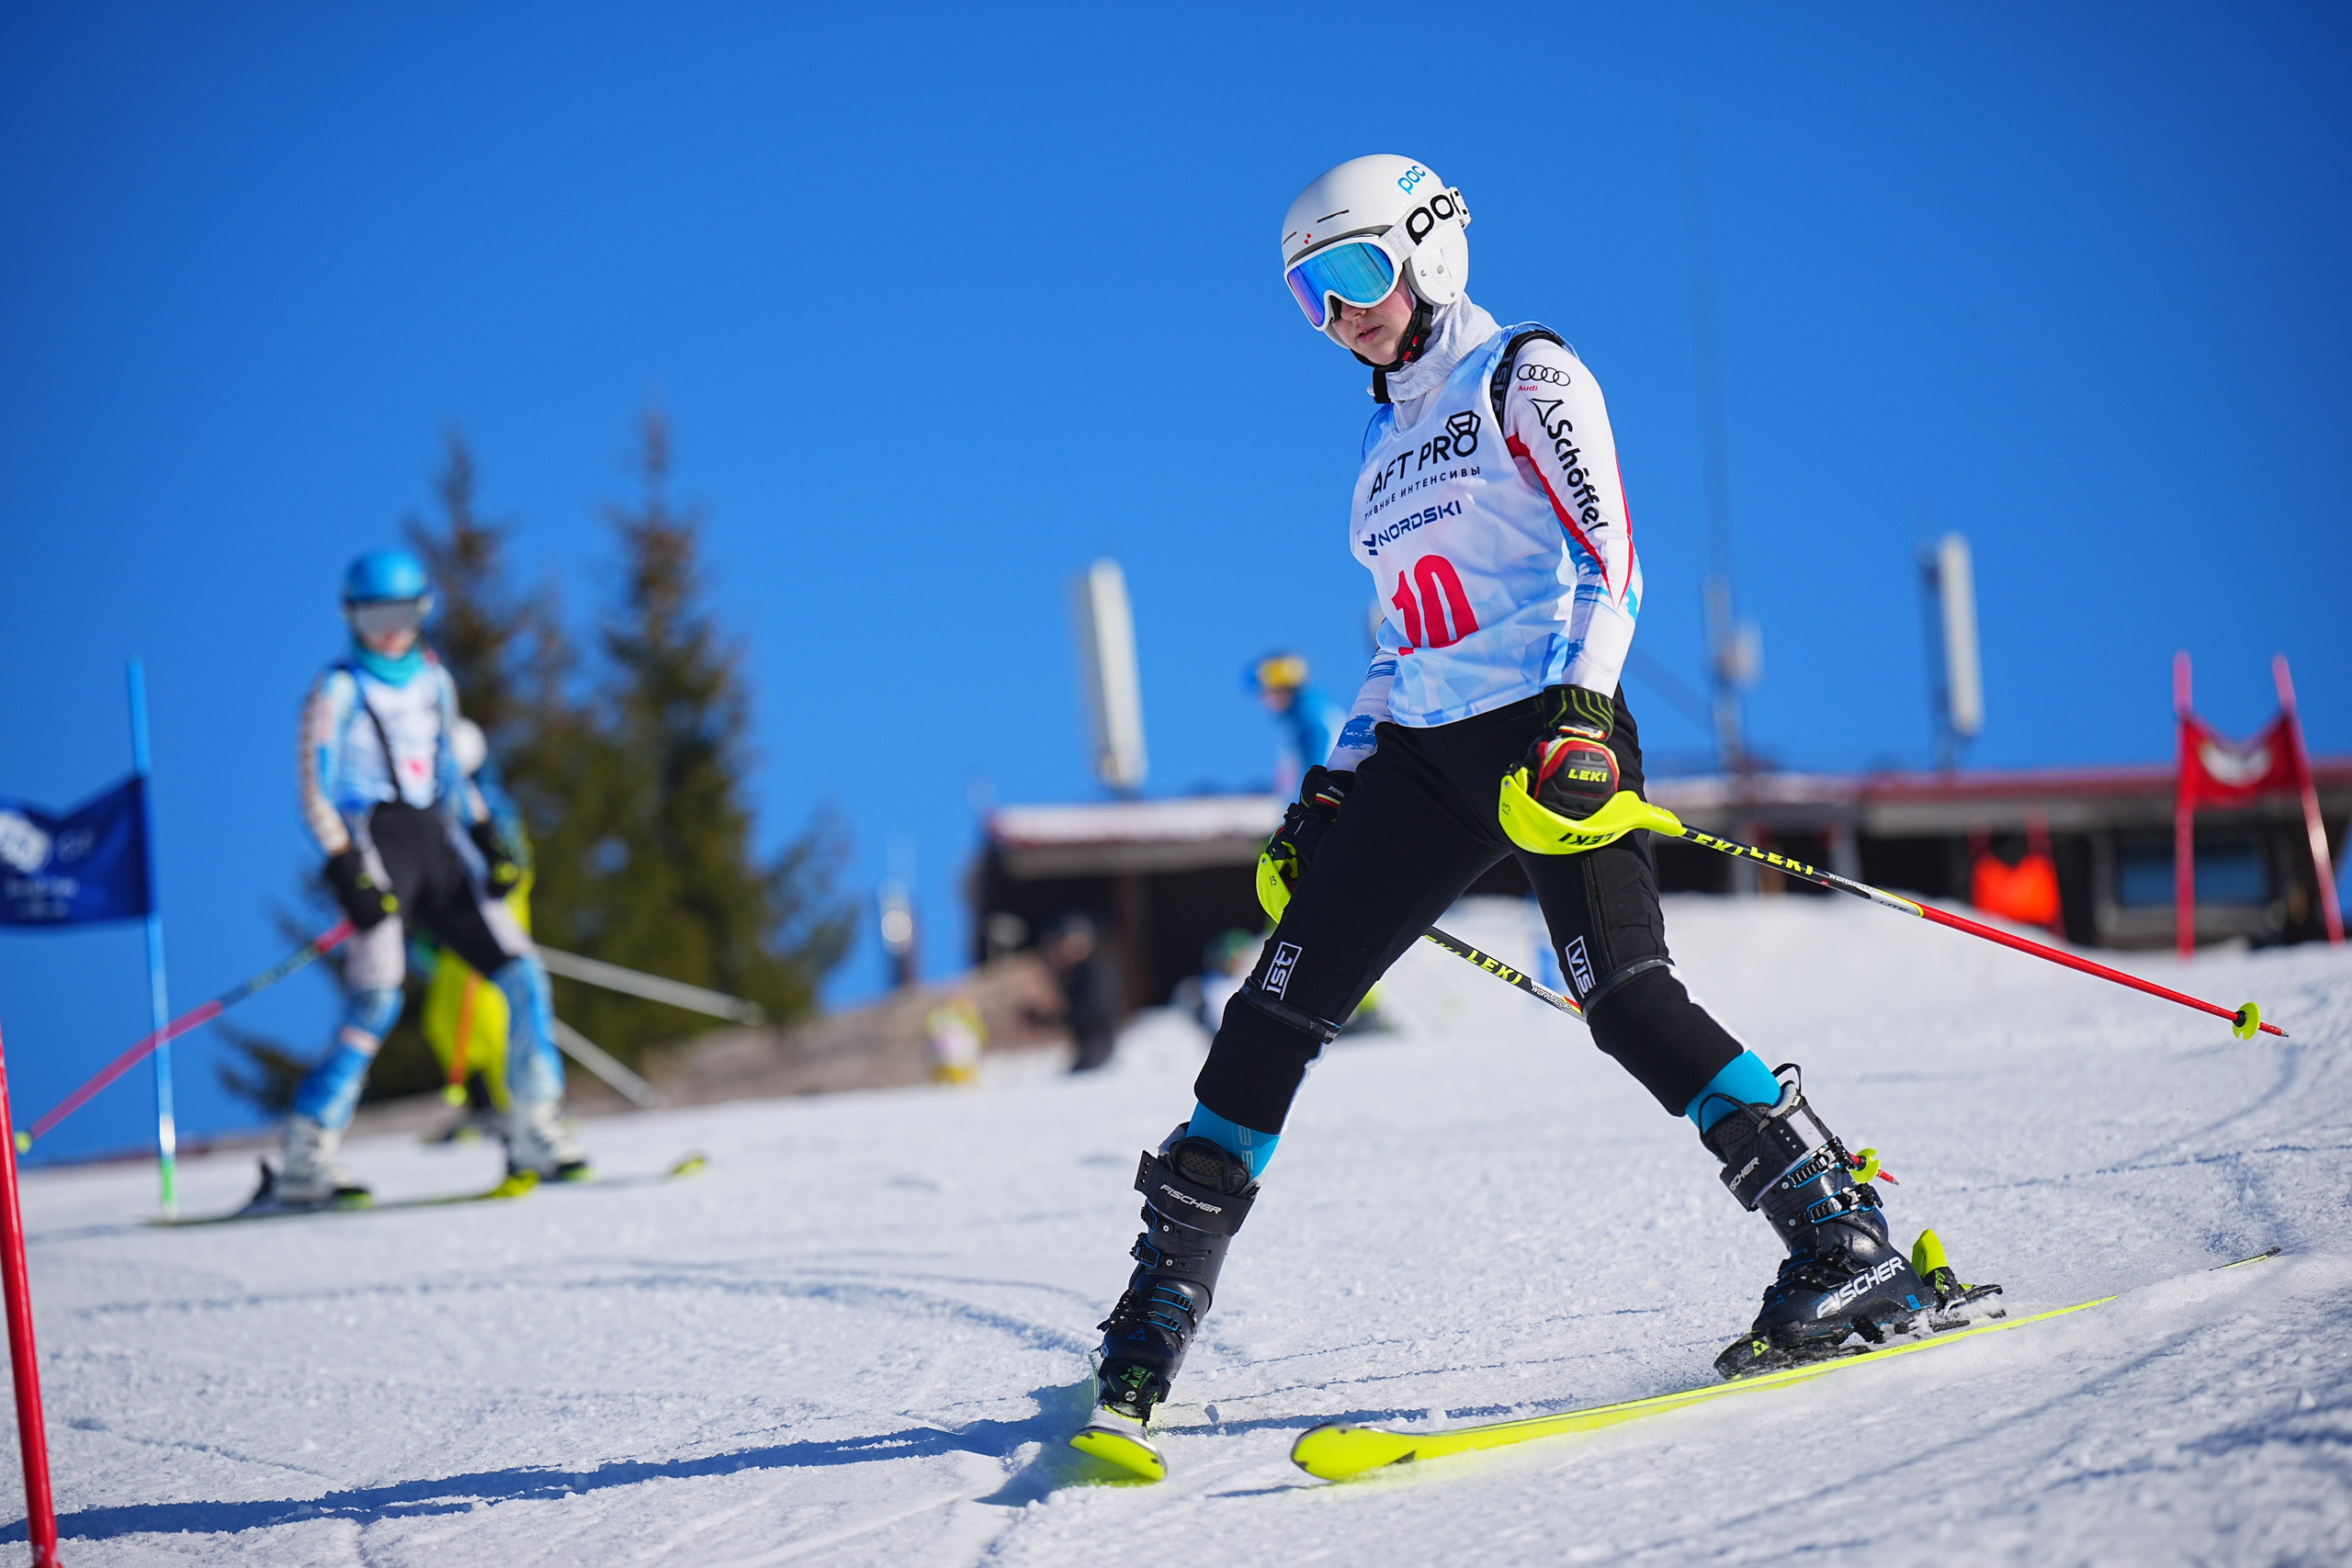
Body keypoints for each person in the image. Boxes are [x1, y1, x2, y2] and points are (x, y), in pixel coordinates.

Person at [1076, 156, 1979, 1465]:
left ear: (1430, 247)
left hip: (1553, 723)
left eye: (1354, 275)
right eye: (1307, 297)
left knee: (1623, 995)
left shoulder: (1528, 376)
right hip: (1427, 754)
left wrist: (1579, 712)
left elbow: (1613, 556)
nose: (1338, 316)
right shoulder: (1380, 458)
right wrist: (1333, 780)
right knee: (1273, 1005)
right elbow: (1394, 645)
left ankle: (1840, 1237)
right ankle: (1161, 1298)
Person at [271, 548, 588, 1206]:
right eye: (374, 613)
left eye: (403, 612)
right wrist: (345, 865)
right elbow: (314, 786)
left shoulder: (435, 681)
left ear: (423, 610)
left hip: (437, 846)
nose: (390, 629)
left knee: (521, 972)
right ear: (350, 614)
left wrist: (485, 835)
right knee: (377, 1000)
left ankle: (535, 1124)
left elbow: (451, 773)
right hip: (374, 845)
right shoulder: (336, 688)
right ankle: (307, 1149)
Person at [1244, 653, 1347, 796]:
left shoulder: (1312, 718)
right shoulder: (1302, 719)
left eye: (1269, 692)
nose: (1266, 701)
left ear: (1286, 689)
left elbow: (1316, 770)